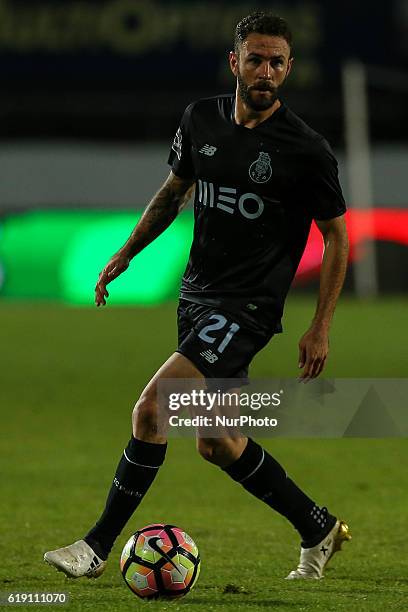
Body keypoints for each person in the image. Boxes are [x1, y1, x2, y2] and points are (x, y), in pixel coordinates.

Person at [44, 11, 350, 581]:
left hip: (249, 306)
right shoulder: (201, 119)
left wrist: (321, 325)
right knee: (216, 439)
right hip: (198, 297)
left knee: (152, 409)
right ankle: (318, 527)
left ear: (289, 68)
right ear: (235, 62)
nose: (265, 71)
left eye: (277, 62)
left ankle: (93, 549)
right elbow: (173, 192)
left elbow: (336, 236)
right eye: (255, 59)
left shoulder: (306, 150)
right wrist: (128, 251)